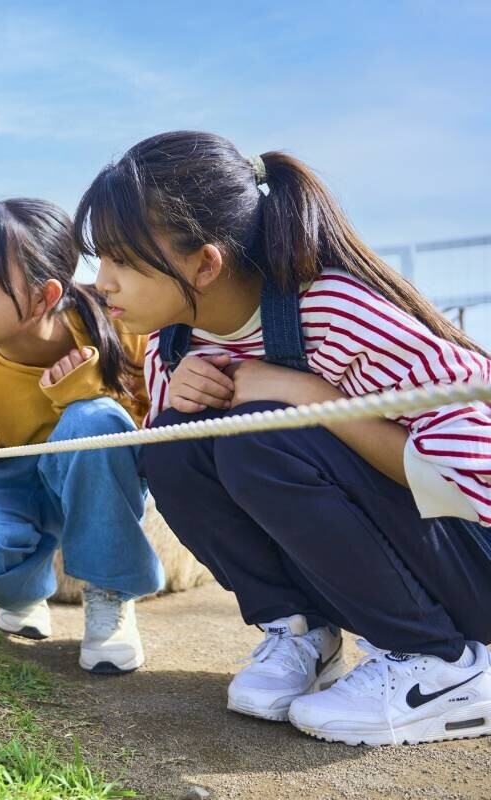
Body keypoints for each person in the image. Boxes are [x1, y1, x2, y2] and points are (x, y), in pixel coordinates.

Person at [76, 130, 491, 744]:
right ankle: (300, 633)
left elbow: (472, 476)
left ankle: (441, 662)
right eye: (99, 258)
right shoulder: (173, 346)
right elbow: (193, 484)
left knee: (261, 438)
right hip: (401, 564)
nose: (101, 282)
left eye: (122, 260)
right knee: (171, 441)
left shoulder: (337, 312)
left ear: (205, 263)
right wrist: (182, 404)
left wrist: (312, 400)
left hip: (471, 561)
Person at [0, 198, 160, 675]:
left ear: (45, 295)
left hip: (89, 478)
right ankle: (24, 591)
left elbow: (142, 427)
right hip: (2, 477)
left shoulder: (116, 323)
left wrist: (80, 391)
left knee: (94, 419)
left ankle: (110, 595)